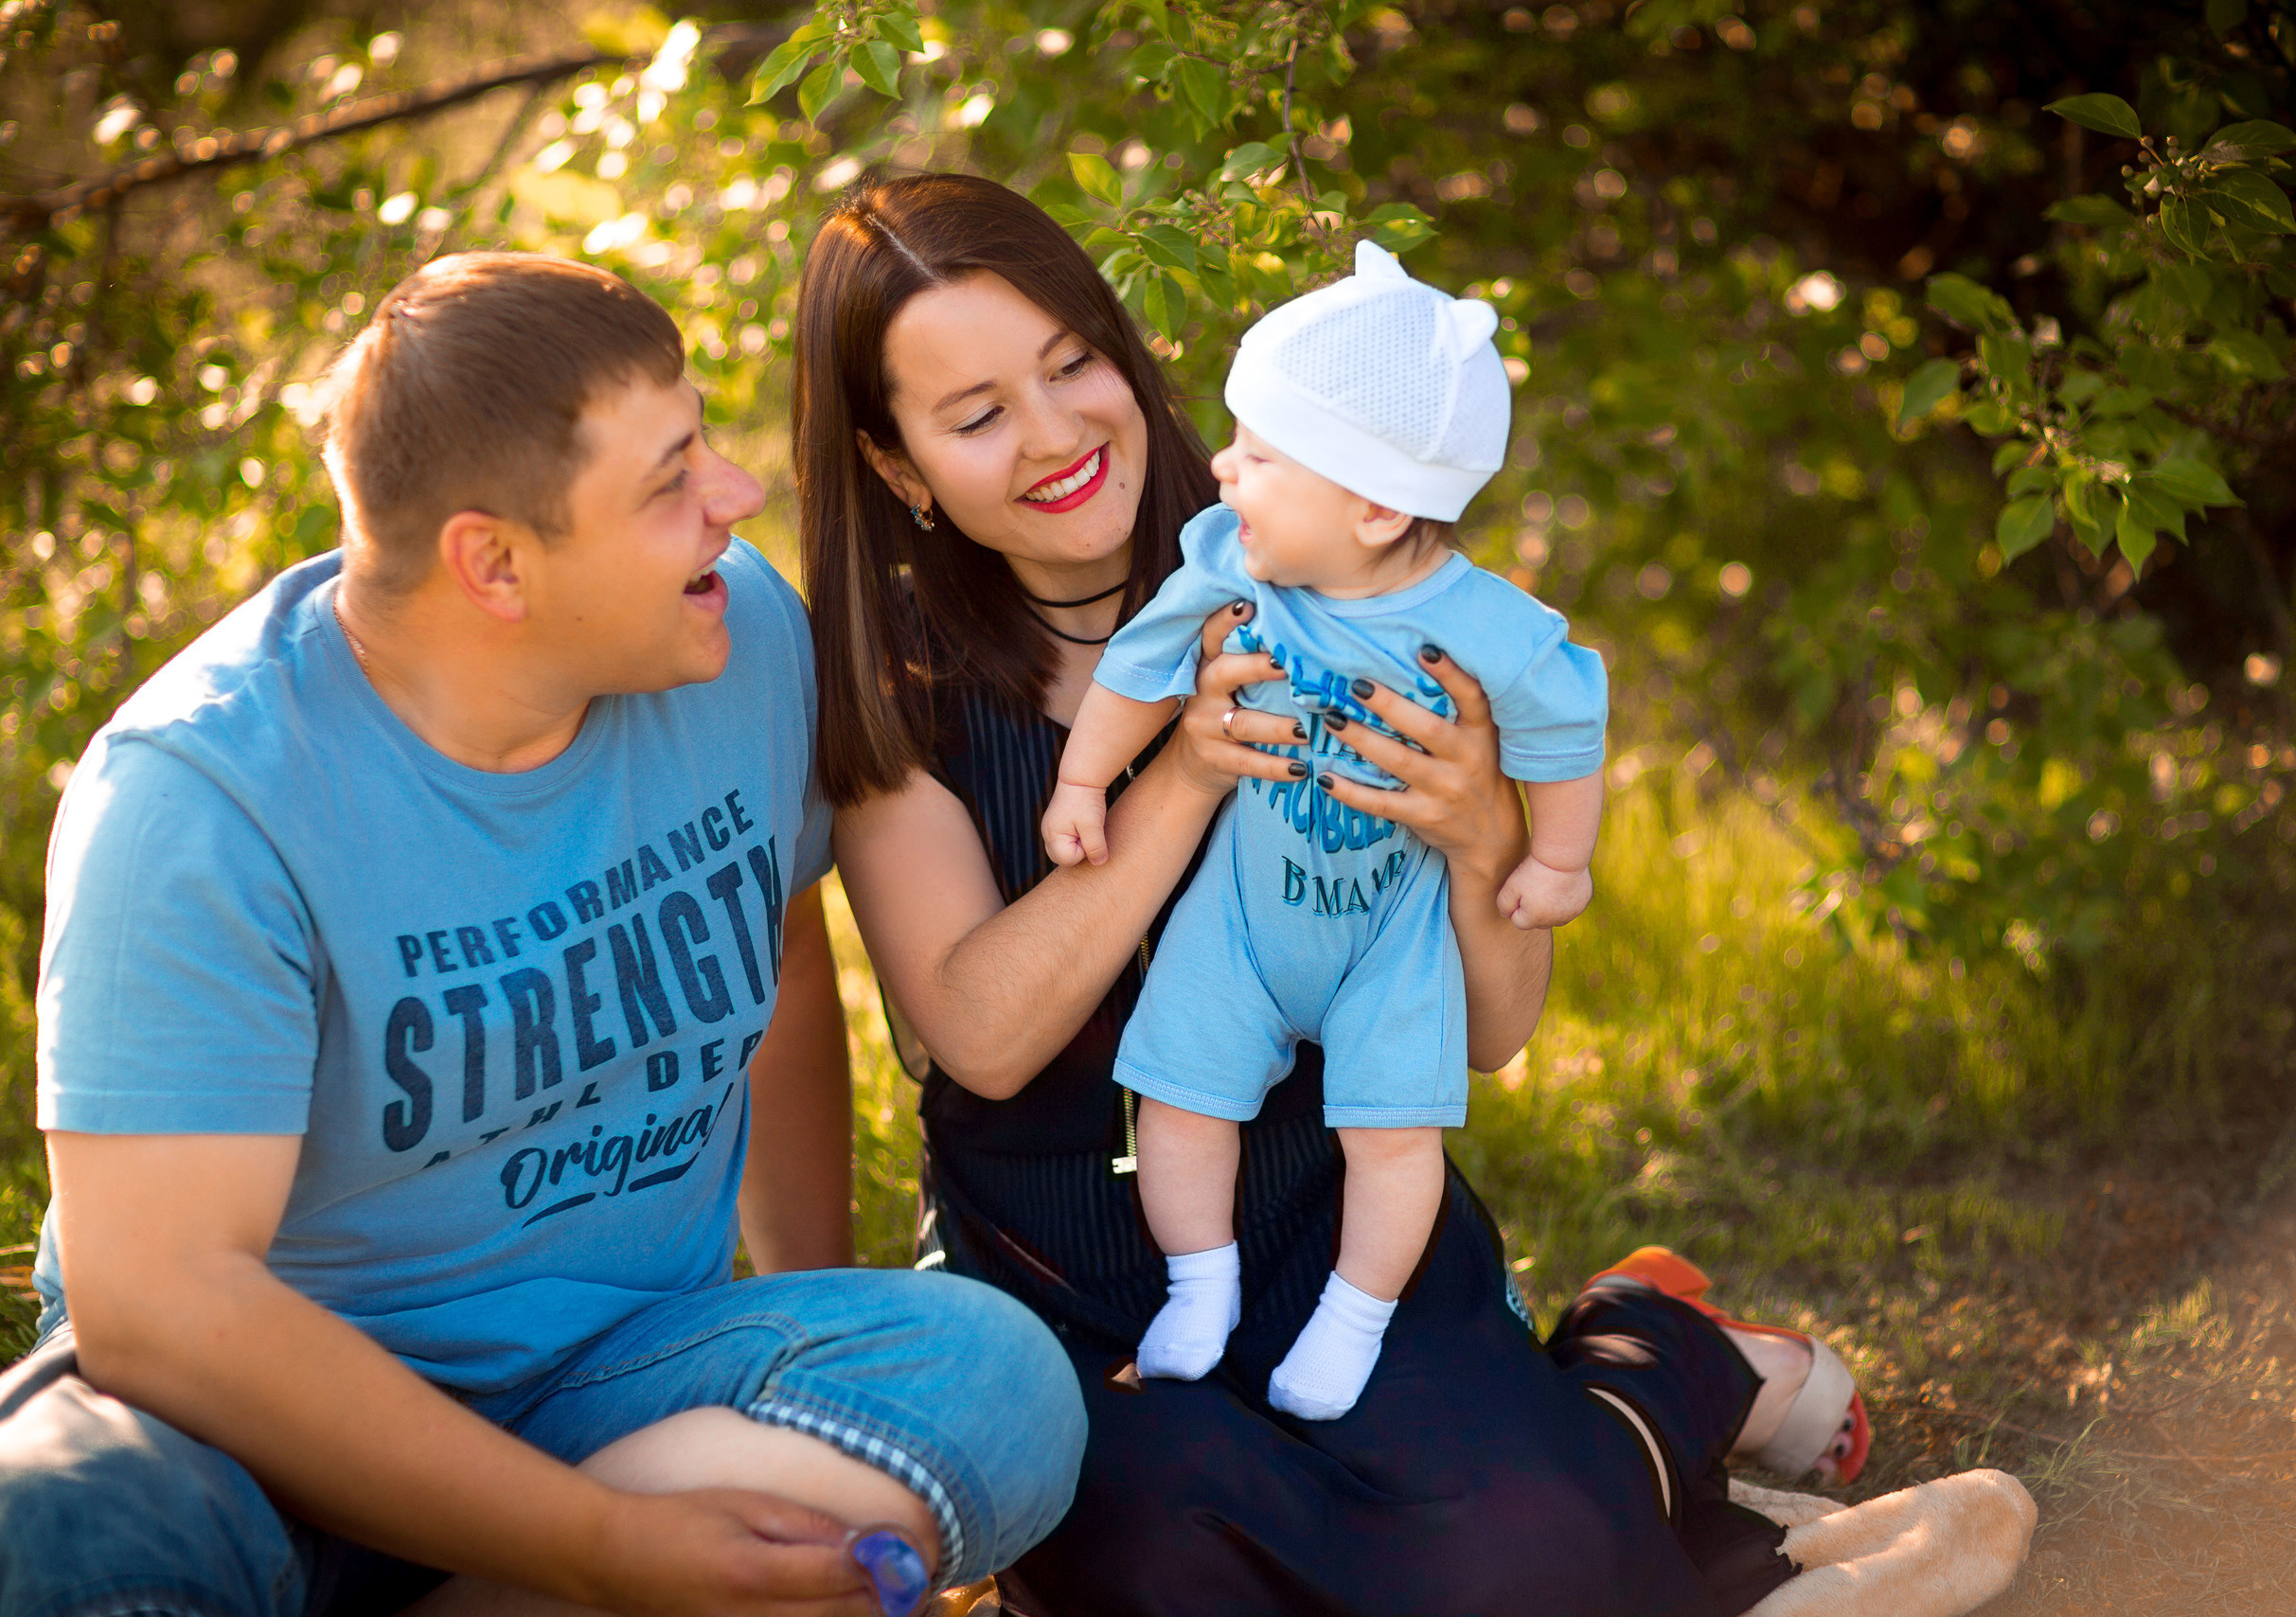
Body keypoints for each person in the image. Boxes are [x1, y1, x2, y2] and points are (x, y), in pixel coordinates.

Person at [797, 170, 1866, 1617]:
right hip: (1068, 1264)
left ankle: (1658, 1350)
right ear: (902, 467)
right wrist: (1179, 774)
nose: (1056, 436)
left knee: (1533, 1566)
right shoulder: (895, 690)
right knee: (1182, 1579)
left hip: (1336, 1212)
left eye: (1073, 364)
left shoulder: (1348, 586)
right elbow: (980, 1037)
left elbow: (1489, 1036)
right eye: (978, 416)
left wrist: (1486, 836)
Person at [0, 251, 1083, 1617]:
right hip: (247, 1434)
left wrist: (801, 1315)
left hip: (617, 1390)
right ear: (494, 563)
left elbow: (782, 951)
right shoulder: (199, 798)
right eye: (670, 479)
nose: (736, 502)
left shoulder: (735, 635)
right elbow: (161, 1310)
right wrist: (600, 1550)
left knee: (993, 1383)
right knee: (53, 1528)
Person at [1038, 241, 1610, 1421]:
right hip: (1242, 916)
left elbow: (1568, 726)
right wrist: (1084, 781)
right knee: (1179, 1099)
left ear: (1375, 503)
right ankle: (1200, 1286)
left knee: (1393, 1141)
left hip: (1391, 934)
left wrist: (1556, 858)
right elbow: (1143, 666)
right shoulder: (1228, 566)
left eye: (1259, 454)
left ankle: (1352, 1318)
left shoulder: (1483, 626)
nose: (1219, 465)